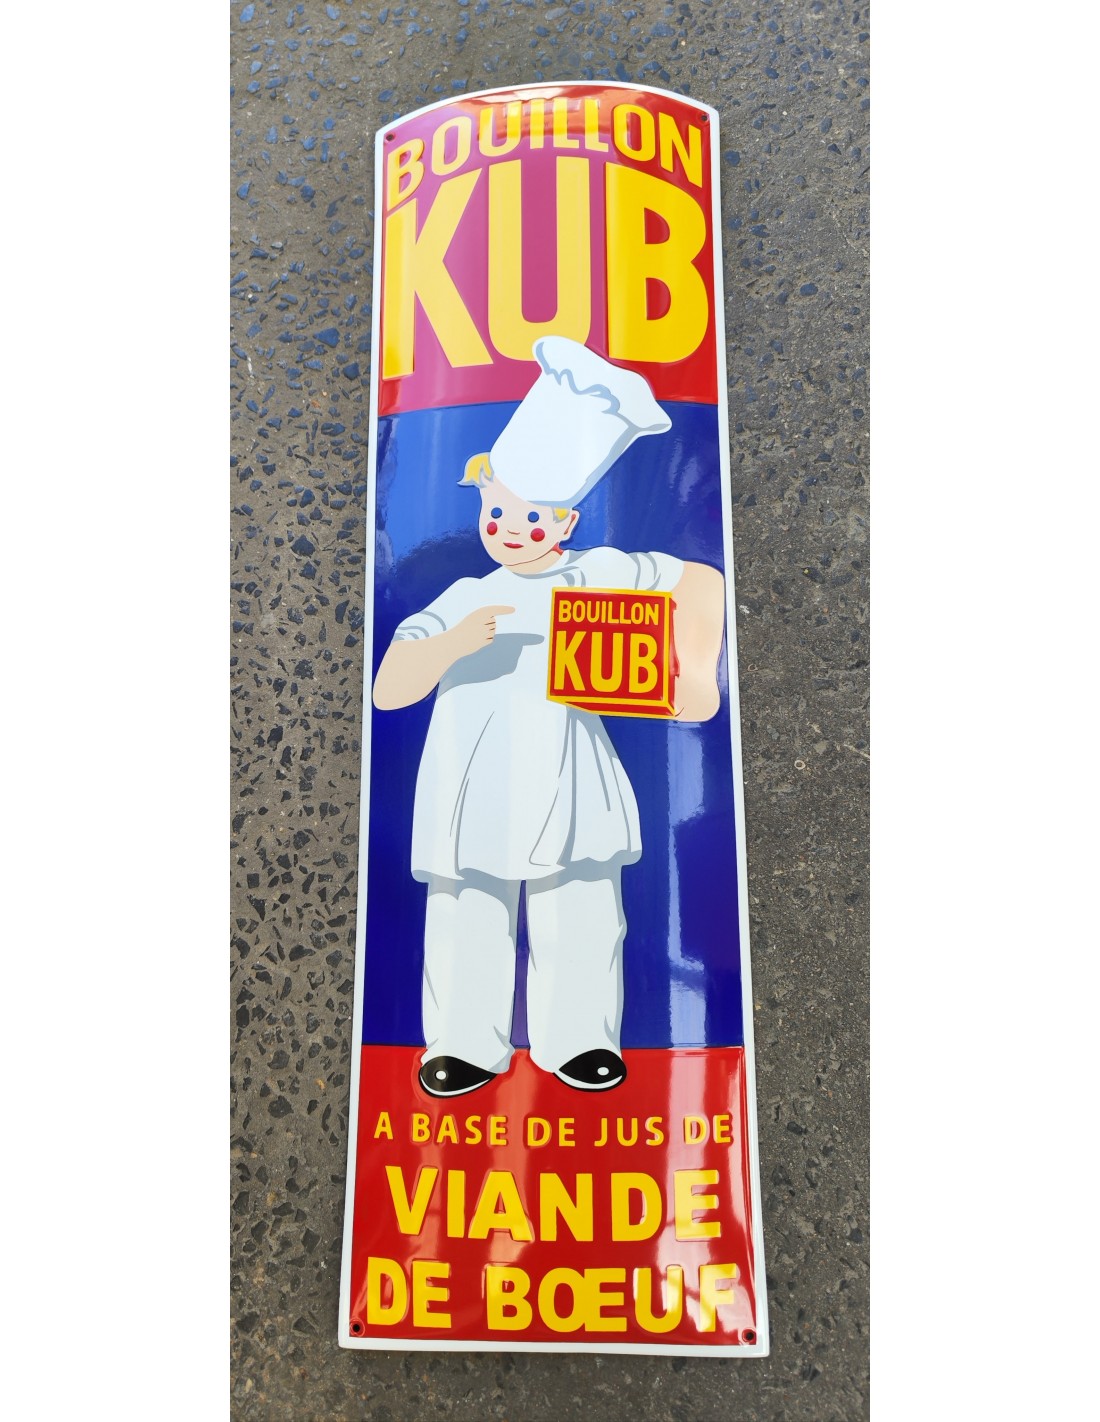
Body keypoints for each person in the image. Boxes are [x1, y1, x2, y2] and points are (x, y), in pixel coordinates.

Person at [372, 337, 725, 1097]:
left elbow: (700, 582)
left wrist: (697, 675)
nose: (511, 528)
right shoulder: (464, 598)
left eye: (533, 519)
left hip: (571, 779)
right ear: (482, 504)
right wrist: (452, 646)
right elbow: (390, 688)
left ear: (564, 525)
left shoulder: (596, 576)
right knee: (469, 910)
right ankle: (464, 1044)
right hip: (473, 784)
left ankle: (580, 1041)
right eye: (499, 510)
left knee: (583, 907)